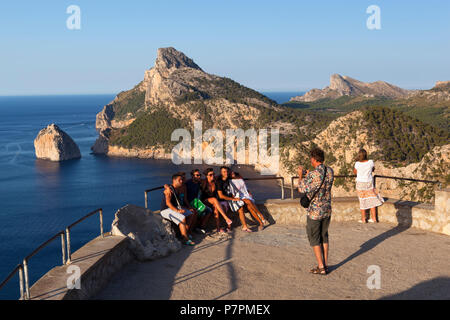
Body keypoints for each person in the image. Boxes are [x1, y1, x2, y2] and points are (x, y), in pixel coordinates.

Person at [297, 147, 334, 275]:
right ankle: (325, 264)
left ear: (313, 159)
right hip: (327, 209)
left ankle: (321, 267)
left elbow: (301, 189)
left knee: (314, 237)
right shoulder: (330, 171)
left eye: (311, 159)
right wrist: (309, 175)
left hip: (315, 211)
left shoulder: (313, 175)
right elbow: (320, 182)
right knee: (324, 236)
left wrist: (301, 176)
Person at [217, 166, 264, 232]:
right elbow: (221, 196)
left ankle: (247, 226)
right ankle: (244, 225)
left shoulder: (229, 179)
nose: (226, 173)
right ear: (221, 173)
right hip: (227, 200)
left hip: (234, 198)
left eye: (227, 171)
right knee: (241, 207)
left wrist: (248, 191)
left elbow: (239, 179)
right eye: (224, 172)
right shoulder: (219, 182)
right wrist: (233, 199)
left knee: (246, 206)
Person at [160, 173, 197, 246]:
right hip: (166, 210)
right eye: (179, 180)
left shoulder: (179, 188)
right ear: (174, 180)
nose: (181, 181)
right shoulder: (169, 190)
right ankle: (185, 239)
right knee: (182, 218)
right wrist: (177, 211)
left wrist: (186, 208)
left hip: (175, 208)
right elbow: (168, 203)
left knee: (191, 214)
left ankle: (184, 233)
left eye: (182, 179)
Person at [353, 149, 384, 223]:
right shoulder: (371, 162)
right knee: (372, 199)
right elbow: (373, 169)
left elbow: (355, 172)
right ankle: (374, 218)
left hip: (360, 183)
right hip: (369, 182)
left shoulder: (357, 163)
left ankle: (363, 219)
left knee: (362, 200)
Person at [200, 168, 233, 233]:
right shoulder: (203, 182)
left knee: (216, 208)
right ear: (206, 176)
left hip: (213, 202)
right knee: (214, 199)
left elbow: (224, 175)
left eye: (213, 174)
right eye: (210, 175)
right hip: (204, 201)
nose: (212, 176)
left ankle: (218, 228)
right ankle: (226, 218)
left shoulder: (215, 182)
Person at [185, 169, 212, 234]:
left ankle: (201, 227)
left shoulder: (199, 182)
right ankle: (189, 232)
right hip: (189, 203)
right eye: (197, 175)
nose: (199, 176)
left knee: (209, 210)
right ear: (192, 176)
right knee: (195, 213)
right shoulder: (187, 183)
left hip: (197, 202)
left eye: (199, 175)